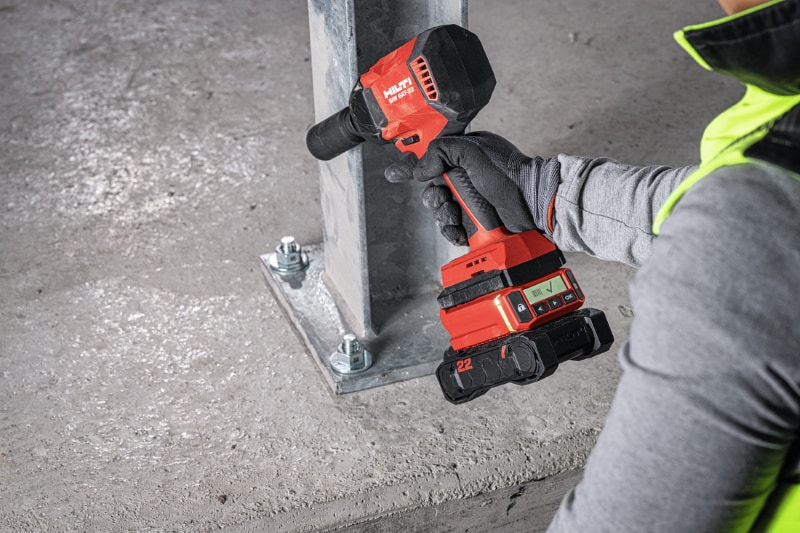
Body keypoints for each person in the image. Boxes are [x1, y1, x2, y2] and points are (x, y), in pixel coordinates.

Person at [385, 0, 800, 530]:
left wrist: (722, 232)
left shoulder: (745, 243)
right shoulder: (778, 142)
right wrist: (548, 195)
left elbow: (746, 226)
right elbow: (733, 194)